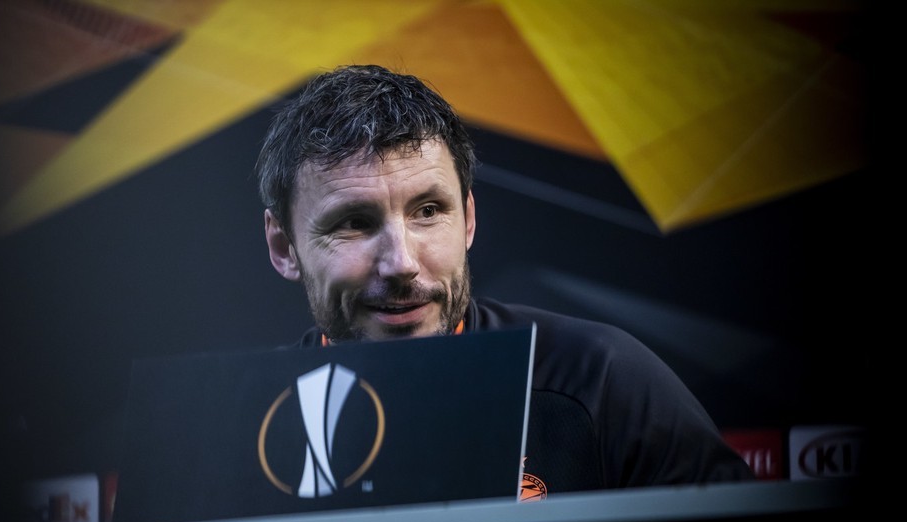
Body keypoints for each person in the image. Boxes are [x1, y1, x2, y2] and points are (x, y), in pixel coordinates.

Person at [256, 64, 754, 493]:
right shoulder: (243, 426)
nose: (402, 263)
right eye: (354, 223)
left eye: (428, 211)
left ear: (468, 219)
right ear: (284, 247)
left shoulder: (600, 382)